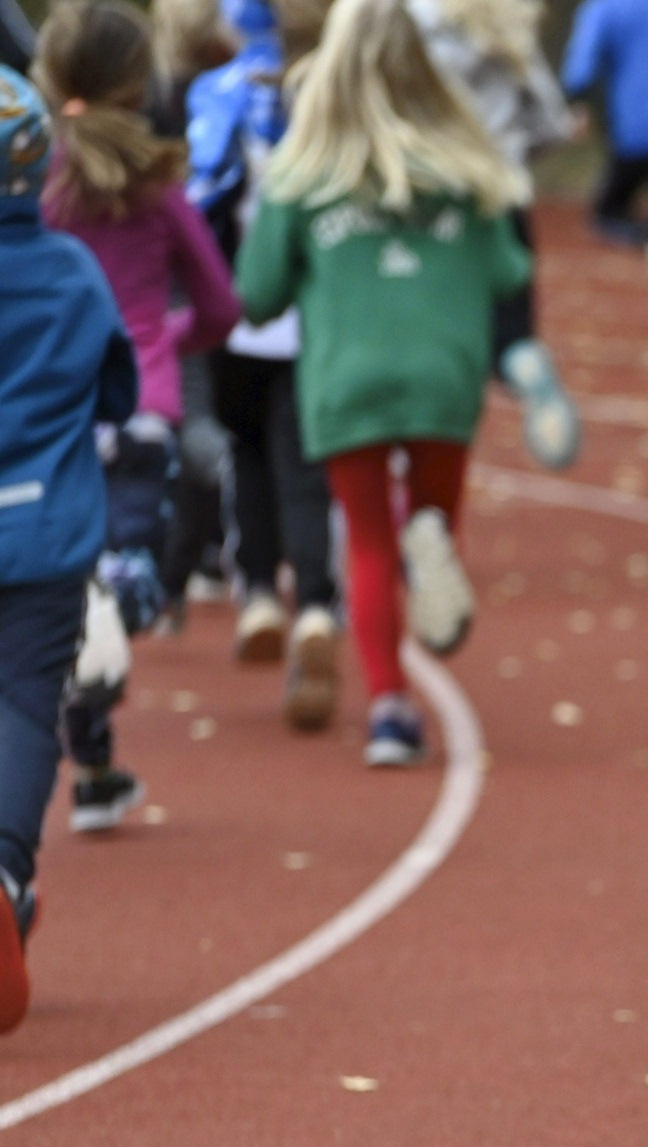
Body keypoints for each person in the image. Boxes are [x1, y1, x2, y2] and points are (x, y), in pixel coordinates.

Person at [235, 0, 529, 767]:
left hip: (346, 379)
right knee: (428, 515)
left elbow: (257, 292)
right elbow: (509, 272)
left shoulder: (303, 173)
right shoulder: (466, 169)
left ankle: (392, 709)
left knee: (364, 543)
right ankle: (428, 541)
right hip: (444, 375)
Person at [37, 0, 244, 827]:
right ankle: (96, 754)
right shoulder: (160, 188)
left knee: (67, 609)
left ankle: (91, 768)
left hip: (55, 413)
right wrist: (163, 342)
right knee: (133, 583)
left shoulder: (36, 181)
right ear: (141, 82)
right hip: (144, 411)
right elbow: (223, 307)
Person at [0, 67, 139, 1029]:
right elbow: (121, 392)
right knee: (23, 705)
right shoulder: (75, 274)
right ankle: (5, 871)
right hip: (45, 533)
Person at [189, 0, 343, 718]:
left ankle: (256, 593)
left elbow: (201, 193)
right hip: (317, 309)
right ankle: (314, 600)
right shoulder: (337, 93)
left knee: (246, 449)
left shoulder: (216, 91)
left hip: (237, 307)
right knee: (306, 464)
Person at [408, 0, 582, 468]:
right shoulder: (505, 19)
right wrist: (517, 151)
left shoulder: (405, 18)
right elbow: (550, 119)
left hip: (432, 200)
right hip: (503, 194)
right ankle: (526, 364)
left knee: (430, 335)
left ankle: (427, 443)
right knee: (512, 329)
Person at [146, 0, 239, 634]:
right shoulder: (236, 87)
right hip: (222, 266)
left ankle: (175, 571)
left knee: (192, 425)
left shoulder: (153, 99)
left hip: (170, 282)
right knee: (210, 416)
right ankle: (202, 558)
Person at [560, 0, 648, 242]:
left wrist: (578, 100)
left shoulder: (605, 8)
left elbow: (583, 60)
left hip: (632, 129)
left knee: (609, 215)